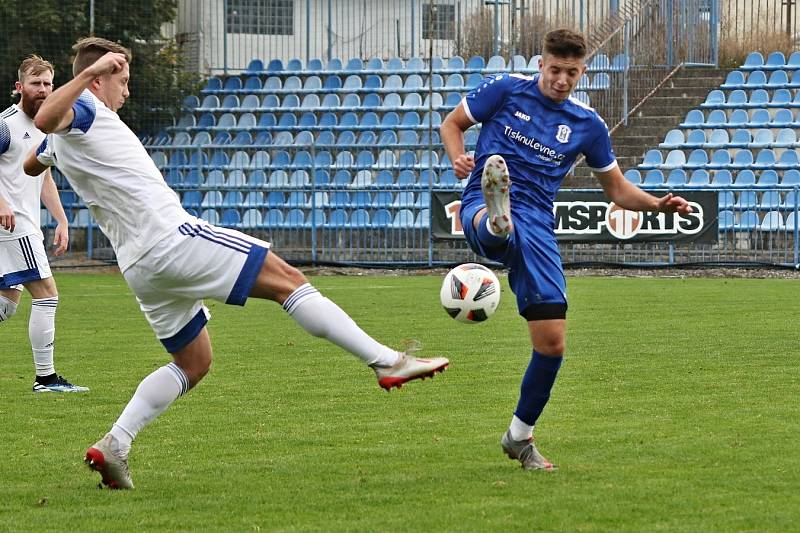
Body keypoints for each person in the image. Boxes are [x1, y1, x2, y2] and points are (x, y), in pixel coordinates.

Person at [28, 37, 448, 489]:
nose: (126, 91)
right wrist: (89, 78)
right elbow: (46, 116)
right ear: (99, 78)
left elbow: (36, 162)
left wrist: (53, 152)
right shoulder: (88, 108)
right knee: (289, 279)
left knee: (194, 362)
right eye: (122, 80)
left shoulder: (73, 132)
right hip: (169, 238)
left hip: (139, 266)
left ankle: (116, 443)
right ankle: (386, 361)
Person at [440, 29, 692, 470]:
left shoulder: (587, 125)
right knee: (499, 225)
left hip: (538, 221)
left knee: (552, 344)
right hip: (486, 195)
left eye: (571, 73)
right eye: (555, 70)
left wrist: (656, 203)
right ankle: (494, 222)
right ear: (541, 64)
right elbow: (452, 124)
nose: (561, 80)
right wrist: (458, 156)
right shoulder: (505, 90)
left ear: (582, 72)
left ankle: (519, 437)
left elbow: (615, 189)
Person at [0, 55, 87, 393]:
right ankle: (46, 379)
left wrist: (61, 219)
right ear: (19, 87)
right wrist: (2, 203)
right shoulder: (7, 124)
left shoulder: (45, 126)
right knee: (48, 295)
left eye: (48, 83)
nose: (43, 89)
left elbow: (44, 176)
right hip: (12, 225)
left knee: (6, 304)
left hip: (25, 225)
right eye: (35, 84)